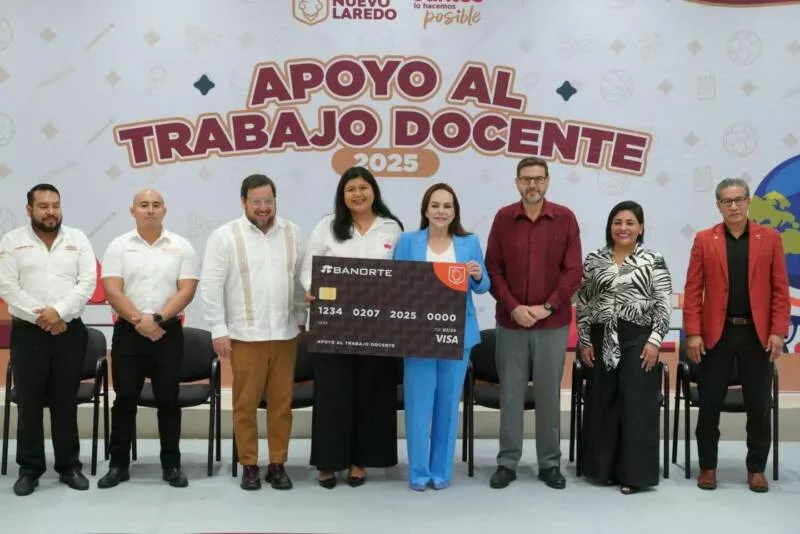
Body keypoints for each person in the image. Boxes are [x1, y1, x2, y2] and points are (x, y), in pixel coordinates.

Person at [683, 178, 790, 493]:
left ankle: (756, 469)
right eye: (727, 201)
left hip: (757, 336)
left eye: (739, 199)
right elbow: (693, 291)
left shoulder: (770, 238)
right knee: (709, 405)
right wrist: (693, 333)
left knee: (759, 406)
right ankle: (708, 467)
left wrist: (778, 331)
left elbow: (780, 290)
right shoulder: (705, 239)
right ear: (718, 205)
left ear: (748, 202)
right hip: (717, 335)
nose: (734, 206)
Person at [201, 174, 306, 491]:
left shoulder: (292, 232)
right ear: (243, 202)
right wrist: (218, 328)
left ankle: (277, 465)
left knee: (281, 406)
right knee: (245, 405)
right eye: (256, 201)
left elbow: (299, 280)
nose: (263, 207)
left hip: (285, 334)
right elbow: (211, 285)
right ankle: (249, 465)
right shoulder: (225, 236)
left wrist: (301, 318)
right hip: (246, 336)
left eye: (268, 201)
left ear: (275, 201)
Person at [301, 166, 403, 489]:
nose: (357, 194)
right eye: (350, 189)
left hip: (378, 328)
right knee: (333, 393)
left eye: (363, 187)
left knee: (371, 393)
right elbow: (308, 268)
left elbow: (403, 273)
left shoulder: (392, 228)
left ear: (373, 191)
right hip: (332, 325)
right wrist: (311, 288)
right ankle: (328, 463)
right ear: (342, 195)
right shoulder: (326, 226)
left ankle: (360, 461)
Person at [485, 156, 582, 490]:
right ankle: (507, 462)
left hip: (551, 324)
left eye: (538, 179)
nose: (532, 185)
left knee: (548, 396)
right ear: (517, 183)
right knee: (511, 395)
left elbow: (573, 271)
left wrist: (547, 307)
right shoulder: (503, 218)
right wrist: (513, 307)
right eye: (526, 179)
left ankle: (549, 464)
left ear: (547, 182)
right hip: (511, 323)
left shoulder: (565, 218)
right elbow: (493, 268)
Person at [97, 189, 199, 489]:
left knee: (168, 401)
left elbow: (186, 291)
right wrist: (139, 320)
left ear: (164, 210)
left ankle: (172, 465)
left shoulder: (181, 246)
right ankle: (118, 465)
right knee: (125, 400)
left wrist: (156, 319)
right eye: (144, 205)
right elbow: (112, 290)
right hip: (128, 333)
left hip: (168, 332)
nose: (150, 210)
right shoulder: (119, 246)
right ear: (133, 211)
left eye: (156, 205)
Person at [393, 183, 490, 491]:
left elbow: (484, 285)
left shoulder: (469, 242)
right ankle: (419, 472)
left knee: (448, 406)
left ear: (455, 211)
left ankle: (441, 472)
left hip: (458, 335)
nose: (441, 211)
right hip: (418, 335)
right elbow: (394, 283)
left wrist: (477, 274)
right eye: (435, 205)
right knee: (418, 405)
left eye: (447, 206)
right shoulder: (408, 241)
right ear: (425, 210)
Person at [0, 184, 95, 496]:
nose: (50, 212)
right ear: (29, 209)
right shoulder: (12, 241)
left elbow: (86, 283)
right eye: (43, 206)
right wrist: (44, 316)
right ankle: (30, 469)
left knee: (65, 401)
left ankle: (69, 466)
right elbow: (7, 287)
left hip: (69, 332)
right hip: (29, 333)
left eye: (55, 205)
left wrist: (59, 313)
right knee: (29, 402)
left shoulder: (77, 239)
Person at [575, 200, 672, 494]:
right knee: (603, 401)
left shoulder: (653, 259)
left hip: (639, 338)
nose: (623, 228)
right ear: (610, 227)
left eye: (630, 223)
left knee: (636, 404)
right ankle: (602, 470)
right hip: (599, 336)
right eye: (617, 222)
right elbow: (584, 303)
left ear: (640, 228)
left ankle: (634, 475)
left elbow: (663, 304)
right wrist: (584, 340)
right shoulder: (595, 259)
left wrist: (655, 341)